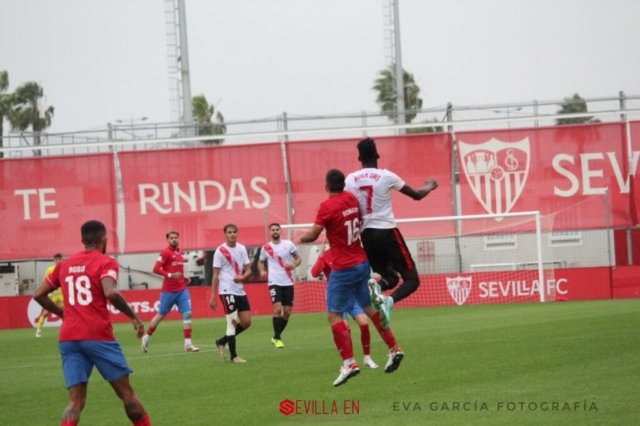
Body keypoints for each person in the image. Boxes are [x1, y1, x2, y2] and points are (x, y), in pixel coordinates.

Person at [32, 220, 151, 426]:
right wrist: (134, 317)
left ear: (83, 240)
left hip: (69, 338)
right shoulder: (106, 262)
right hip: (98, 336)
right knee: (127, 395)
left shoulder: (64, 265)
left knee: (74, 402)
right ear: (104, 239)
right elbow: (110, 292)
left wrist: (63, 314)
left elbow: (38, 294)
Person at [298, 168, 404, 386]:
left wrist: (299, 239)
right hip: (361, 262)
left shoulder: (327, 206)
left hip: (343, 267)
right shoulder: (352, 199)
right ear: (343, 184)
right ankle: (394, 347)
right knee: (369, 308)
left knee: (334, 315)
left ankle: (349, 363)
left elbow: (313, 234)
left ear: (326, 186)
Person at [345, 137, 438, 320]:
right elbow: (416, 195)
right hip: (387, 231)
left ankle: (376, 287)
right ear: (377, 155)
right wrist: (430, 185)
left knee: (390, 277)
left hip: (366, 235)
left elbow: (346, 206)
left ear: (359, 158)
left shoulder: (350, 180)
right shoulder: (386, 176)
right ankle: (389, 301)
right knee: (412, 280)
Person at [311, 245, 378, 369]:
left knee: (364, 323)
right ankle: (351, 361)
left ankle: (367, 358)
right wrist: (321, 255)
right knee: (345, 328)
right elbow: (314, 273)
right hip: (337, 297)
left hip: (353, 294)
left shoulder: (349, 252)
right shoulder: (326, 255)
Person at [142, 230, 200, 353]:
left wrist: (184, 278)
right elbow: (155, 269)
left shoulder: (179, 253)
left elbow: (177, 271)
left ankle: (188, 344)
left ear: (178, 239)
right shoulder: (165, 252)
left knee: (187, 313)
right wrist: (169, 275)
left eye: (175, 237)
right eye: (171, 238)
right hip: (168, 291)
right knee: (160, 315)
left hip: (181, 289)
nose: (174, 239)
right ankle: (146, 336)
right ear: (168, 240)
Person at [209, 223, 253, 363]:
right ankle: (234, 357)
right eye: (229, 232)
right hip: (226, 290)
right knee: (232, 322)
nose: (232, 234)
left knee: (246, 322)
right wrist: (213, 295)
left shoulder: (241, 248)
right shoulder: (220, 251)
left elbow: (249, 269)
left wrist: (243, 277)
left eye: (234, 232)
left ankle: (222, 341)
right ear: (225, 234)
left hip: (239, 290)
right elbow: (215, 275)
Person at [258, 222, 302, 348]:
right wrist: (262, 270)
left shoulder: (288, 245)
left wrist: (293, 265)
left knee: (287, 312)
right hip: (274, 281)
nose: (275, 231)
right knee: (277, 309)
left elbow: (298, 259)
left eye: (277, 229)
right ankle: (277, 338)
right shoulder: (266, 247)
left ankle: (275, 336)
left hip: (287, 281)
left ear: (280, 231)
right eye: (273, 230)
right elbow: (260, 262)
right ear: (270, 232)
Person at [35, 252, 64, 337]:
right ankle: (39, 329)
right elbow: (46, 281)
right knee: (45, 313)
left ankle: (66, 331)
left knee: (65, 313)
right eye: (56, 259)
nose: (58, 260)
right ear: (54, 260)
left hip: (62, 295)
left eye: (59, 259)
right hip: (53, 295)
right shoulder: (50, 269)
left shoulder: (63, 268)